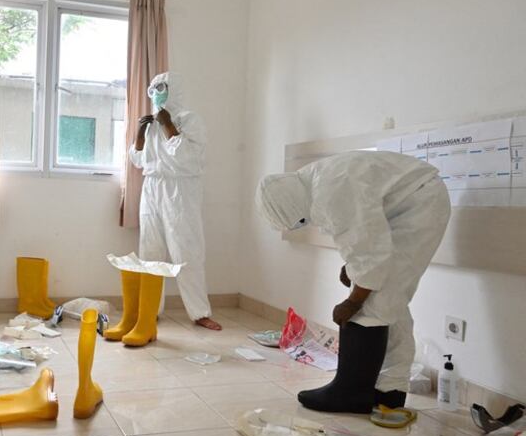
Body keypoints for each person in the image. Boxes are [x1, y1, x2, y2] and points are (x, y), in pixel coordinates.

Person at [257, 151, 451, 412]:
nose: (306, 223)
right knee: (390, 301)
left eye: (300, 221)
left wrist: (352, 301)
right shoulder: (315, 182)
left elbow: (370, 251)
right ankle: (390, 390)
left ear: (292, 205)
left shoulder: (330, 191)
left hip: (418, 206)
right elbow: (362, 236)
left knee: (373, 303)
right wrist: (354, 269)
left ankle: (350, 392)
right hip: (409, 201)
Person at [129, 72, 221, 331]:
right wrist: (141, 131)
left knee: (187, 250)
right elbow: (137, 160)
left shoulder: (189, 119)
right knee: (150, 252)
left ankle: (199, 312)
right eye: (154, 87)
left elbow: (187, 157)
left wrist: (168, 124)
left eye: (163, 87)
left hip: (180, 189)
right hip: (151, 188)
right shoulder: (151, 124)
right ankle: (150, 309)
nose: (158, 92)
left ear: (175, 89)